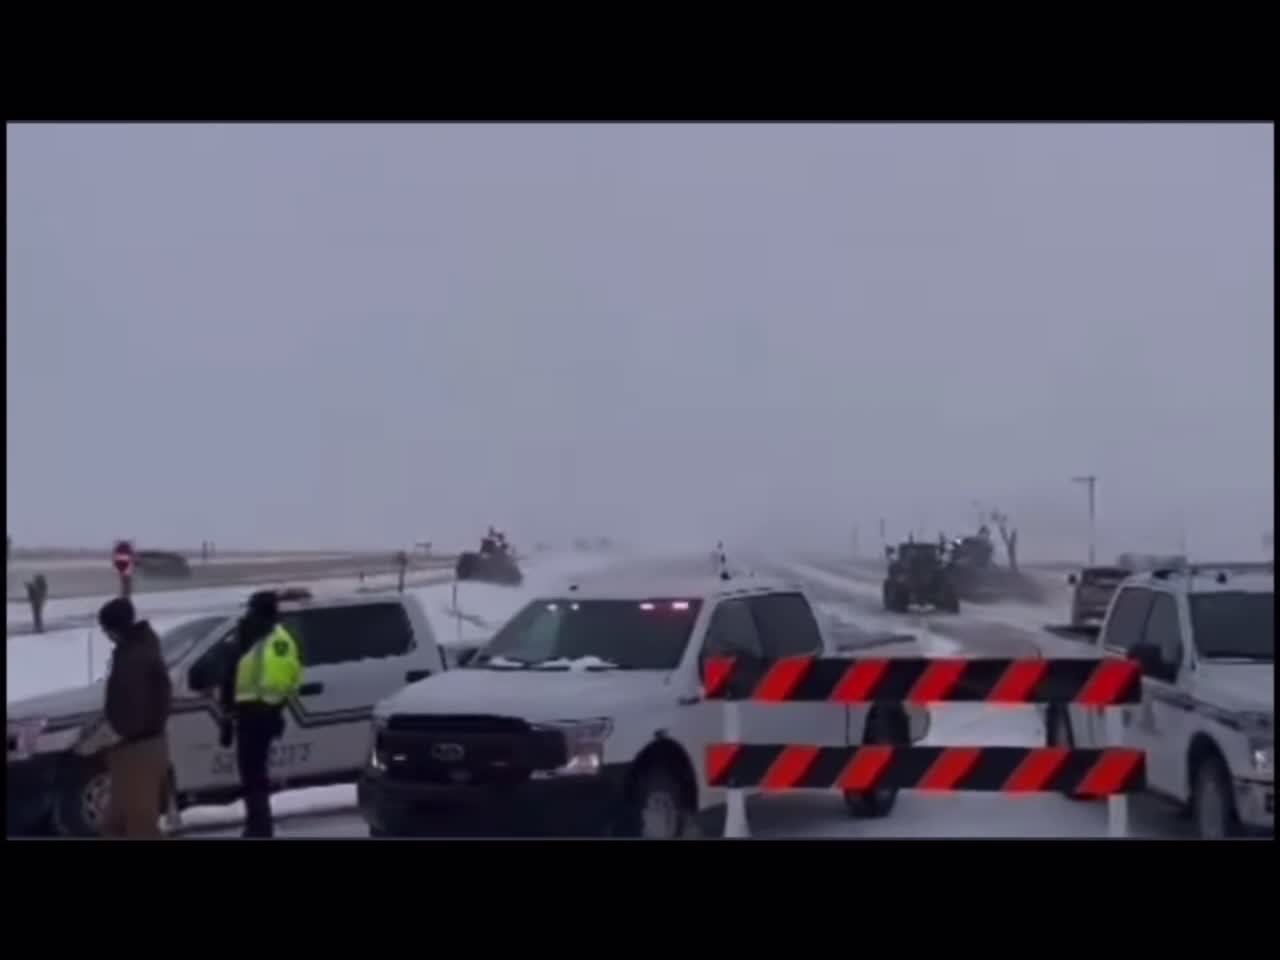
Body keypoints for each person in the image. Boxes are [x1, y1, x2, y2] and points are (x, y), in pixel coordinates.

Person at [218, 591, 303, 838]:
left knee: (251, 775)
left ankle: (257, 828)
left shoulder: (247, 635)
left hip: (248, 714)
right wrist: (277, 709)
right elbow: (294, 678)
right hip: (271, 715)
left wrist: (226, 715)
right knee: (259, 774)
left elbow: (230, 676)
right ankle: (260, 825)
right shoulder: (284, 639)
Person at [97, 597, 172, 838]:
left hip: (137, 751)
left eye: (106, 629)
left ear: (115, 628)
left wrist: (106, 734)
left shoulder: (134, 659)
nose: (105, 634)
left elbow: (132, 711)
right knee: (115, 824)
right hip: (135, 749)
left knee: (139, 824)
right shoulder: (135, 651)